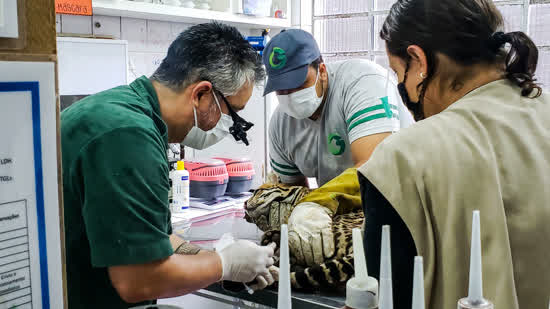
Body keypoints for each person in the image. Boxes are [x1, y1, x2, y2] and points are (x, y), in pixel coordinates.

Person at [61, 22, 276, 308]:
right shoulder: (128, 136)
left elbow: (154, 238)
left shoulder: (126, 113)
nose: (229, 127)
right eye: (231, 115)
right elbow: (139, 279)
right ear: (201, 94)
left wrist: (212, 259)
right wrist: (223, 265)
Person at [358, 0, 550, 308]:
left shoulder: (400, 160)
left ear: (418, 61)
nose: (400, 86)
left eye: (397, 72)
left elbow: (389, 297)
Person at [263, 29, 414, 187]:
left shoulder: (363, 83)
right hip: (343, 205)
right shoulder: (280, 125)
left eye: (298, 83)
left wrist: (319, 200)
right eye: (281, 88)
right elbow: (291, 192)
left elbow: (373, 170)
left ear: (322, 71)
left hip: (401, 200)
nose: (290, 94)